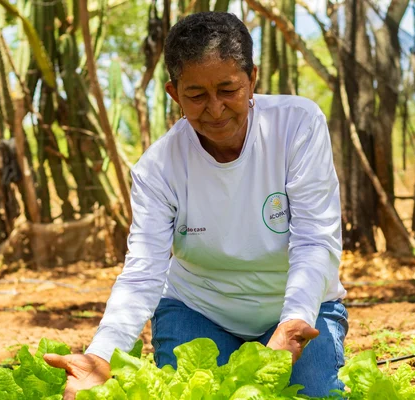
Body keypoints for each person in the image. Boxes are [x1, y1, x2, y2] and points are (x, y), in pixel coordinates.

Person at [44, 11, 348, 399]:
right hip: (199, 309)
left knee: (314, 395)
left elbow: (315, 241)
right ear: (174, 94)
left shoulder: (297, 125)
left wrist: (293, 323)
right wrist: (100, 357)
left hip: (298, 310)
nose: (216, 108)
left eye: (228, 89)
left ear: (252, 78)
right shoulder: (157, 168)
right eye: (197, 95)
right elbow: (143, 274)